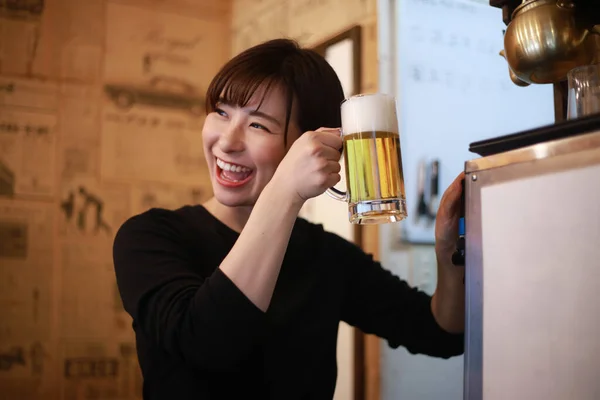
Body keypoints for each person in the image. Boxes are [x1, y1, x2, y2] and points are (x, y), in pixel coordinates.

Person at [113, 38, 465, 400]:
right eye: (221, 112)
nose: (227, 141)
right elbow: (205, 343)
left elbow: (440, 332)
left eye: (258, 126)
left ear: (315, 143)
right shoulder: (149, 237)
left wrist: (447, 248)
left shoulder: (324, 255)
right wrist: (284, 191)